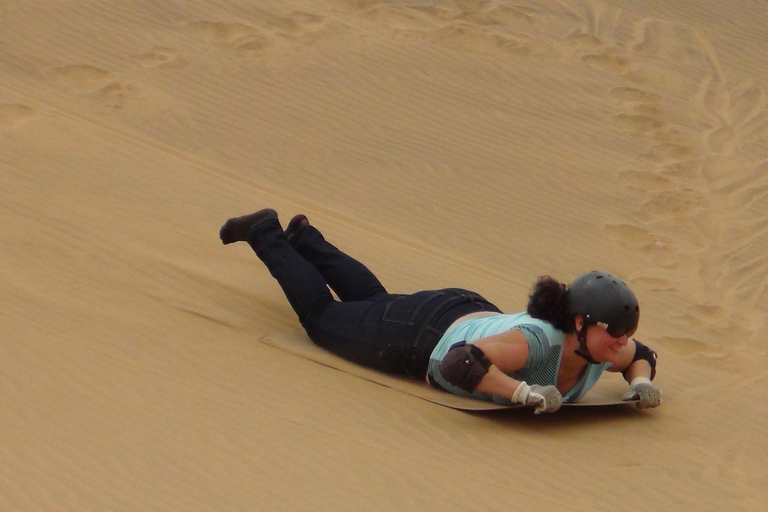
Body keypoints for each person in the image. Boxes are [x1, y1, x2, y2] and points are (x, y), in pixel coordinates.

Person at [220, 208, 662, 414]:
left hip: (464, 311)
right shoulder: (536, 346)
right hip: (425, 337)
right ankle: (267, 234)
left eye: (624, 331)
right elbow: (461, 362)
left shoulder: (600, 350)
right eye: (614, 331)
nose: (622, 340)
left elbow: (643, 354)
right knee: (321, 317)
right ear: (580, 324)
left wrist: (639, 381)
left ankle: (308, 242)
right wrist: (522, 393)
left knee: (377, 304)